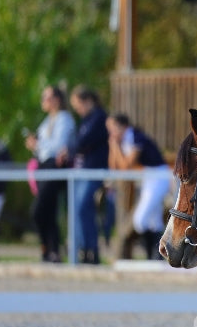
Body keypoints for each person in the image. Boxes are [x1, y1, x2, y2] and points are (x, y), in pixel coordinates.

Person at [107, 113, 171, 260]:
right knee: (154, 222)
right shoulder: (124, 140)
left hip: (158, 177)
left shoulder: (135, 137)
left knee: (140, 220)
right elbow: (114, 167)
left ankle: (154, 255)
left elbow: (125, 166)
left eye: (112, 129)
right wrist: (113, 146)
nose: (111, 133)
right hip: (149, 179)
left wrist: (115, 146)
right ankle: (154, 257)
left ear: (122, 126)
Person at [26, 85, 76, 262]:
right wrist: (35, 145)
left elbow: (58, 147)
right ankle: (51, 251)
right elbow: (43, 149)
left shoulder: (64, 119)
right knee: (48, 211)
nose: (43, 101)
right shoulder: (47, 120)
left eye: (46, 97)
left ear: (56, 100)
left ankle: (49, 248)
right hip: (44, 166)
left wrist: (37, 145)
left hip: (54, 167)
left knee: (39, 211)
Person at [69, 85, 110, 264]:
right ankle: (84, 249)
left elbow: (81, 142)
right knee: (79, 211)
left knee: (83, 208)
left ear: (88, 101)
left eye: (78, 105)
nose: (77, 109)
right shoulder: (86, 120)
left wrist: (74, 147)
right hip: (84, 170)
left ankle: (91, 250)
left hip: (94, 170)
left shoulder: (99, 118)